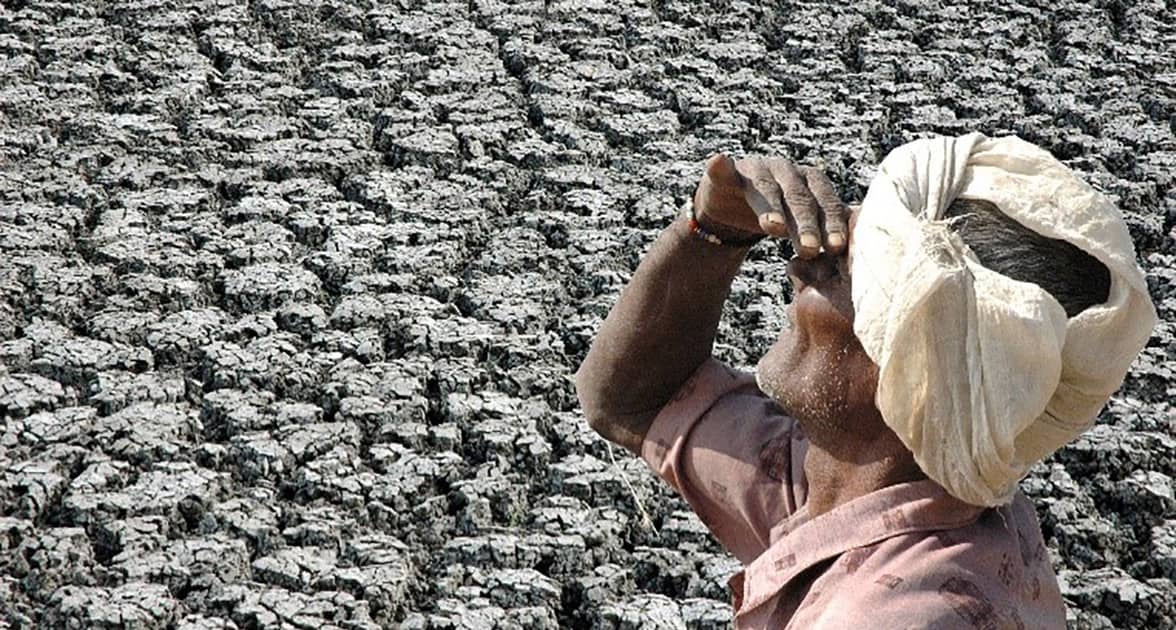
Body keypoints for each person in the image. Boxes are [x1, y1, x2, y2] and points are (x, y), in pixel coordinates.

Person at [574, 133, 1156, 628]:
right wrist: (713, 228)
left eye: (847, 267)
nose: (801, 266)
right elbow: (632, 401)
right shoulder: (861, 486)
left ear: (915, 369)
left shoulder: (888, 613)